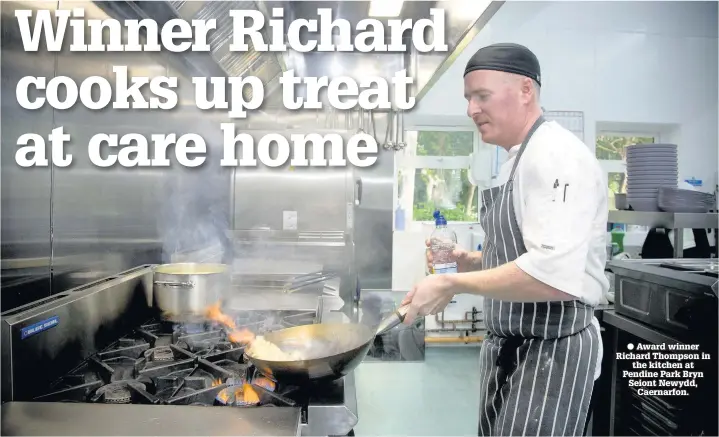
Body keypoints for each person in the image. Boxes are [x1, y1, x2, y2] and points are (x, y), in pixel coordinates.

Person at [401, 43, 609, 437]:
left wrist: (449, 281)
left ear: (526, 90)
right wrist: (471, 260)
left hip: (552, 352)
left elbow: (553, 276)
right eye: (468, 98)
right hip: (514, 347)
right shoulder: (519, 156)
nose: (471, 110)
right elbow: (528, 251)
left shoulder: (556, 156)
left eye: (482, 96)